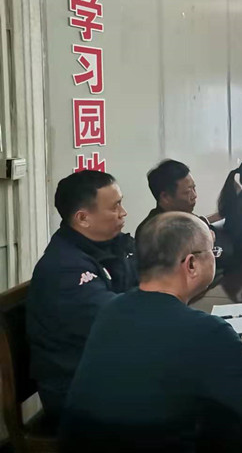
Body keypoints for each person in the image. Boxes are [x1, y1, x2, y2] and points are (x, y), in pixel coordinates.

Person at [60, 212, 242, 452]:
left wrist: (239, 345)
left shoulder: (112, 309)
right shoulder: (208, 332)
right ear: (191, 264)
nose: (215, 257)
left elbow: (161, 352)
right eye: (213, 251)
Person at [27, 170, 138, 421]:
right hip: (78, 392)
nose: (123, 213)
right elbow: (119, 323)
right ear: (83, 218)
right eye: (115, 206)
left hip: (111, 369)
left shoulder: (115, 246)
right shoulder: (65, 269)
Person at [136, 159, 209, 242]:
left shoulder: (187, 218)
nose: (194, 196)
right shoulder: (154, 232)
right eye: (188, 192)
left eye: (194, 188)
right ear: (165, 197)